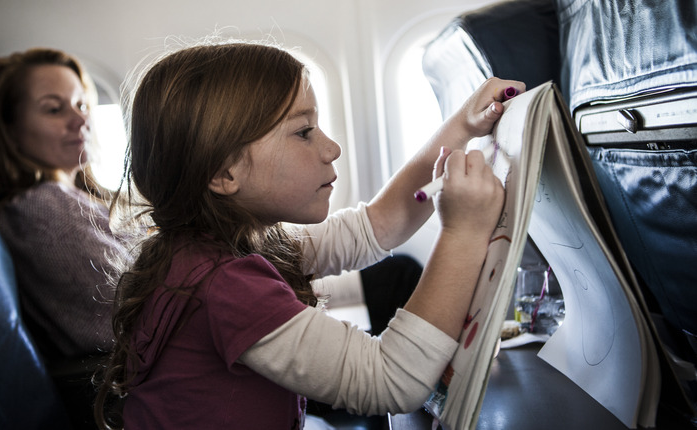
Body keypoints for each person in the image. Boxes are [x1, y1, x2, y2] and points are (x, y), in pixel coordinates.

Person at [93, 40, 522, 429]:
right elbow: (389, 381)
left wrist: (463, 127)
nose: (332, 148)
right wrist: (464, 232)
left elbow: (379, 224)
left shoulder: (222, 245)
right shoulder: (221, 284)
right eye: (303, 132)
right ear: (225, 172)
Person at [0, 48, 126, 429]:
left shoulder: (76, 196)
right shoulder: (41, 207)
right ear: (8, 128)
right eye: (53, 108)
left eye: (81, 103)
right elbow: (128, 311)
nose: (80, 119)